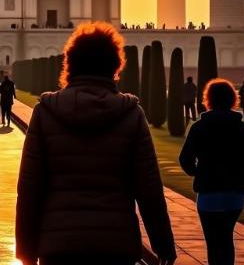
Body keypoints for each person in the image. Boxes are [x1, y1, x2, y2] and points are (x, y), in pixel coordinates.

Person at [16, 22, 176, 265]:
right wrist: (164, 246)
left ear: (69, 64)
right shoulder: (132, 115)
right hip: (115, 245)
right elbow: (149, 189)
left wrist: (26, 251)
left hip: (59, 246)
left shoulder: (45, 113)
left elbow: (30, 188)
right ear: (115, 65)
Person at [179, 78, 244, 264]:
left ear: (209, 99)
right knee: (227, 239)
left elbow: (185, 159)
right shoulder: (243, 129)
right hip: (234, 193)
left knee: (213, 243)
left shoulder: (199, 127)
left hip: (208, 192)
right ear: (232, 99)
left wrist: (198, 173)